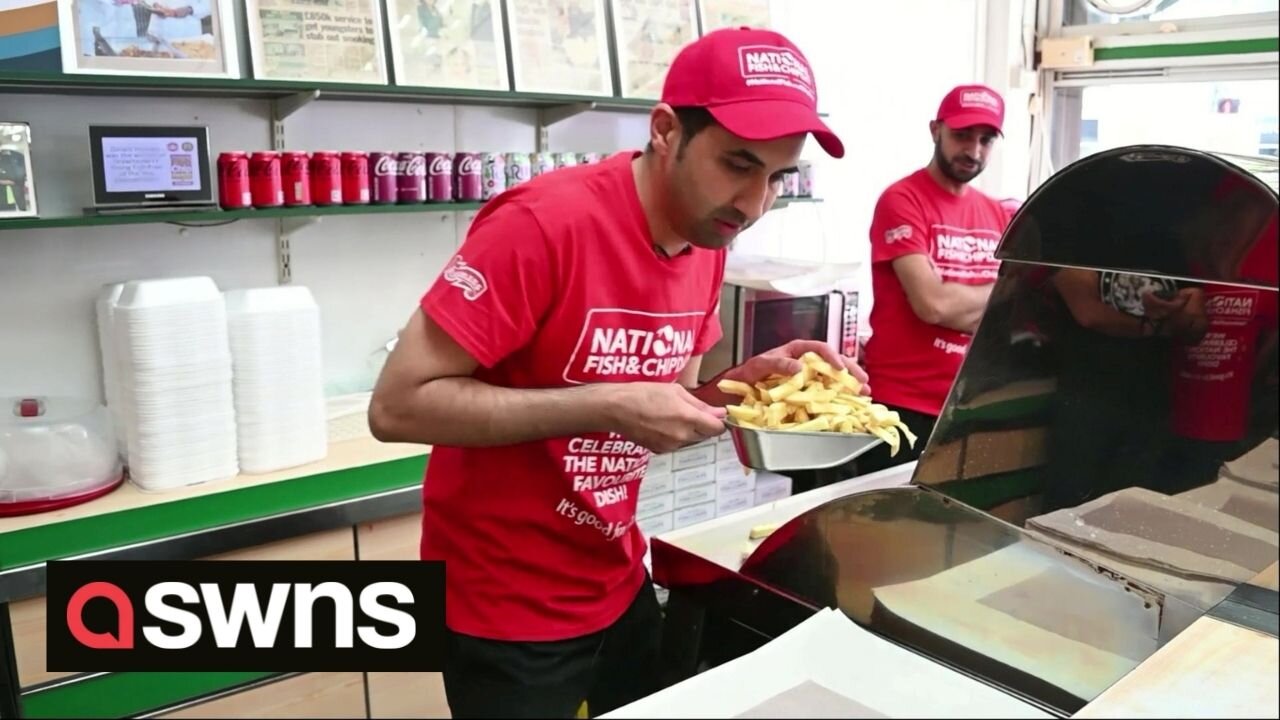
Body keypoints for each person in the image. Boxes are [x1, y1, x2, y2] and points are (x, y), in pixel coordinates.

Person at [368, 27, 859, 719]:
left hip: (616, 575)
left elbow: (660, 408)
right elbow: (397, 406)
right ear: (666, 131)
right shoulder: (544, 224)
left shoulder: (707, 233)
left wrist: (745, 387)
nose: (752, 205)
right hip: (504, 603)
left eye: (777, 178)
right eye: (736, 164)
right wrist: (604, 405)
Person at [856, 84, 1013, 476]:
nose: (974, 151)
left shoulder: (997, 214)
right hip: (900, 408)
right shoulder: (902, 200)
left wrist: (979, 304)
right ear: (935, 130)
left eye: (986, 139)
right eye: (962, 135)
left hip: (969, 405)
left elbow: (1012, 314)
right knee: (893, 532)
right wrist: (1000, 293)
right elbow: (932, 305)